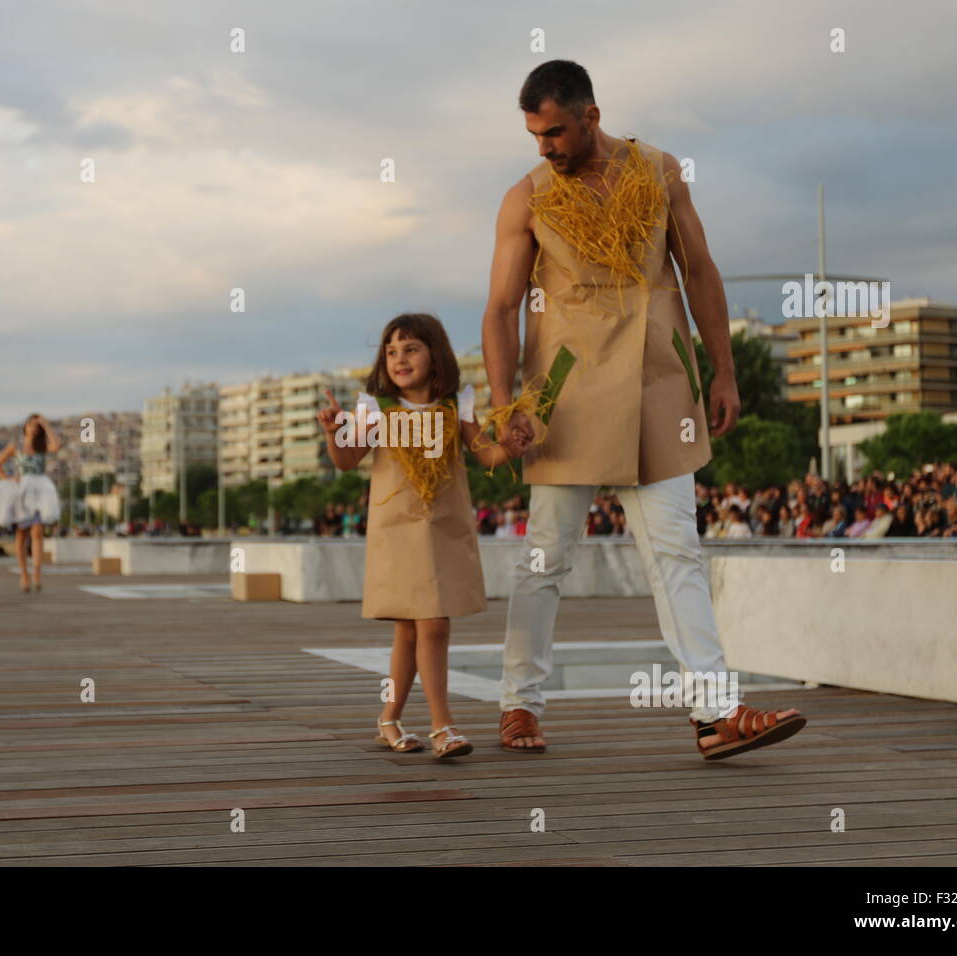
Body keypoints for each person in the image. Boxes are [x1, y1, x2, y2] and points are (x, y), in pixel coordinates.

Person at [481, 60, 803, 758]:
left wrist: (725, 372)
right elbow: (503, 308)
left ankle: (715, 713)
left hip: (660, 384)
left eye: (556, 132)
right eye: (536, 135)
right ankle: (519, 704)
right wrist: (505, 405)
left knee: (678, 553)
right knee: (546, 557)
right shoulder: (525, 198)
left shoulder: (659, 171)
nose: (545, 147)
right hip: (565, 396)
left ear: (591, 117)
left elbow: (700, 269)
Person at [318, 313, 518, 760]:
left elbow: (486, 452)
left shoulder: (454, 405)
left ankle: (389, 718)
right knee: (431, 624)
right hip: (398, 533)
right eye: (391, 351)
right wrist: (335, 433)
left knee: (414, 629)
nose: (399, 358)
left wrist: (512, 447)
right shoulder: (376, 407)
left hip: (443, 529)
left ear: (436, 354)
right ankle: (442, 725)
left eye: (411, 349)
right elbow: (348, 460)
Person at [0, 413, 62, 592]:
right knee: (21, 534)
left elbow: (56, 445)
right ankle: (24, 574)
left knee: (37, 531)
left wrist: (46, 424)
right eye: (31, 424)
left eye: (37, 426)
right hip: (21, 490)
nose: (34, 428)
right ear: (25, 426)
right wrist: (9, 479)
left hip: (40, 489)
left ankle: (36, 572)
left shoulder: (42, 446)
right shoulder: (16, 446)